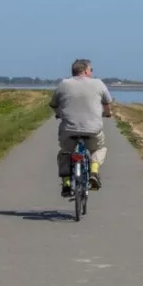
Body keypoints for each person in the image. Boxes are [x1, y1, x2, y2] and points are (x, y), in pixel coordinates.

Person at [52, 58, 113, 197]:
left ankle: (66, 183)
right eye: (91, 70)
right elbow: (107, 104)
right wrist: (108, 114)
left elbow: (54, 105)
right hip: (93, 130)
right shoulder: (98, 83)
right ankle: (94, 171)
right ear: (85, 70)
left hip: (69, 130)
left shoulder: (63, 84)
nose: (91, 72)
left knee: (65, 153)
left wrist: (59, 114)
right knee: (99, 148)